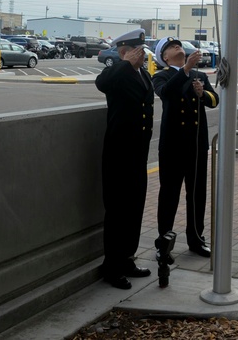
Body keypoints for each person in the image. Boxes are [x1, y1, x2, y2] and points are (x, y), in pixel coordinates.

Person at [94, 28, 154, 290]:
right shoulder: (116, 74)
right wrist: (125, 63)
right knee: (117, 211)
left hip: (138, 152)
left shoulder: (144, 74)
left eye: (143, 52)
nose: (143, 56)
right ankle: (112, 266)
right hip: (119, 153)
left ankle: (127, 258)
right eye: (138, 52)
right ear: (123, 52)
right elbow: (101, 83)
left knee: (134, 208)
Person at [153, 36, 220, 261]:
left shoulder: (199, 75)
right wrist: (186, 69)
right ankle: (164, 242)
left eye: (179, 45)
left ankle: (196, 239)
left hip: (196, 145)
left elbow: (214, 100)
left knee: (197, 194)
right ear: (164, 56)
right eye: (172, 47)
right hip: (173, 146)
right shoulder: (161, 75)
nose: (178, 48)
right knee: (169, 194)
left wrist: (203, 93)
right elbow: (167, 93)